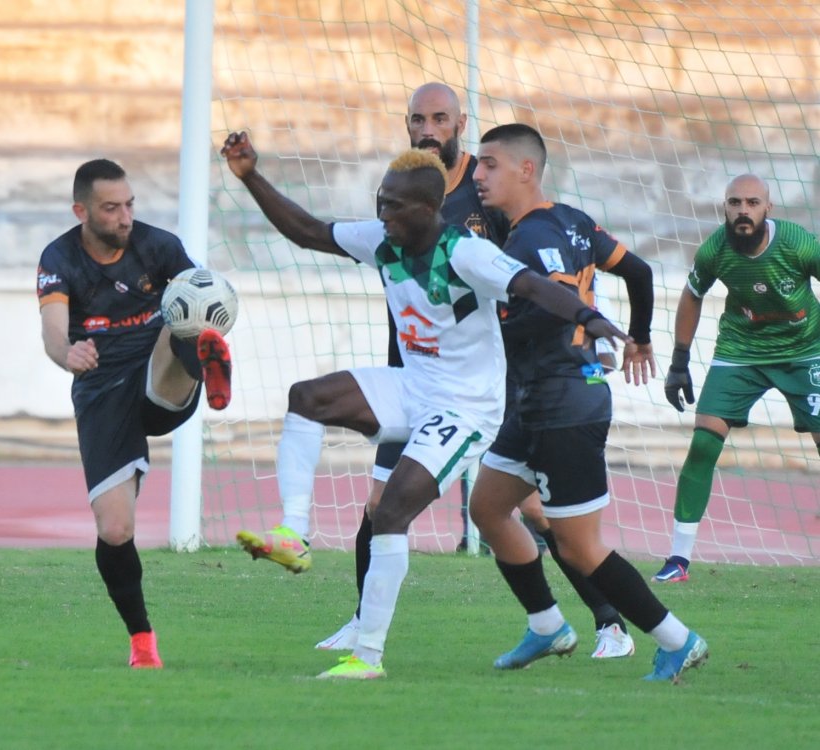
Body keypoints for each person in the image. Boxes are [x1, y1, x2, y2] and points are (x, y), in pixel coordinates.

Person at [221, 130, 629, 679]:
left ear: (428, 207)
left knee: (391, 512)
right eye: (381, 201)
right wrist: (250, 176)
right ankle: (294, 534)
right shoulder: (382, 240)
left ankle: (367, 657)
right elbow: (309, 232)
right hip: (413, 384)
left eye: (393, 204)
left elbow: (532, 287)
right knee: (307, 398)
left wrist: (587, 317)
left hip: (465, 406)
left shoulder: (465, 252)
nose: (382, 213)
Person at [314, 84, 634, 663]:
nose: (428, 129)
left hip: (487, 383)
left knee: (530, 509)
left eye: (440, 118)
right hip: (413, 378)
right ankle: (362, 624)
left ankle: (608, 619)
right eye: (418, 119)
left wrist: (585, 328)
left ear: (460, 124)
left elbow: (533, 277)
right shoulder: (404, 188)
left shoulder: (486, 194)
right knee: (381, 505)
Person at [468, 123, 708, 682]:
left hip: (563, 404)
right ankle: (547, 626)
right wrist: (640, 337)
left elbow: (548, 308)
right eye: (477, 164)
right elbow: (638, 271)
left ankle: (678, 640)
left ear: (526, 169)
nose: (478, 175)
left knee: (579, 547)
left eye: (489, 164)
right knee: (487, 508)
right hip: (539, 402)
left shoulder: (526, 241)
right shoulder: (573, 221)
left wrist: (485, 328)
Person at [36, 158, 233, 669]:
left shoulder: (158, 246)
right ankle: (142, 641)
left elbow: (202, 289)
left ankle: (205, 367)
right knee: (115, 530)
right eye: (110, 208)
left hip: (157, 375)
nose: (125, 217)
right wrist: (68, 353)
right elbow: (53, 330)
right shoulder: (59, 257)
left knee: (184, 310)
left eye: (129, 205)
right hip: (102, 390)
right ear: (81, 211)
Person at [655, 174, 820, 583]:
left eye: (752, 202)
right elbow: (692, 295)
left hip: (804, 351)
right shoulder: (714, 250)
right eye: (735, 203)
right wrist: (679, 362)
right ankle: (678, 560)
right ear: (724, 208)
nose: (743, 210)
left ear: (768, 208)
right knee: (703, 442)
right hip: (740, 351)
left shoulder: (798, 243)